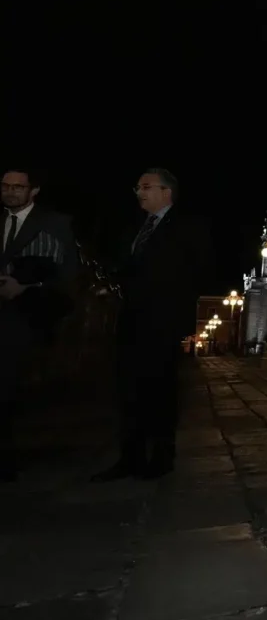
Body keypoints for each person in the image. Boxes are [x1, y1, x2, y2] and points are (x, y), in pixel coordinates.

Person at [92, 168, 211, 481]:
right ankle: (129, 456)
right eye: (137, 187)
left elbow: (191, 273)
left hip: (162, 322)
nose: (139, 193)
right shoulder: (136, 227)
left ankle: (160, 456)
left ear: (166, 192)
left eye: (146, 187)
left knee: (160, 389)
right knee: (128, 389)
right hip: (130, 319)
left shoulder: (186, 227)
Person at [0, 168, 78, 482]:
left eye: (18, 187)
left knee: (7, 385)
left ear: (34, 191)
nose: (10, 192)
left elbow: (66, 275)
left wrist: (25, 288)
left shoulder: (56, 223)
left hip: (24, 314)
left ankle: (6, 458)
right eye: (5, 187)